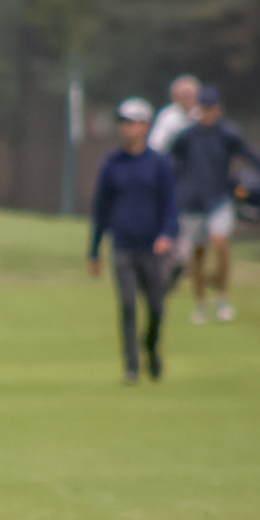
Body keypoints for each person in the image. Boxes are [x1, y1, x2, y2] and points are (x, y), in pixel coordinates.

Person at [167, 85, 260, 323]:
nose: (207, 113)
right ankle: (201, 305)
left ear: (219, 109)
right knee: (198, 255)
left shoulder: (227, 135)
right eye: (204, 108)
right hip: (192, 202)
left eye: (211, 108)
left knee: (221, 243)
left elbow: (254, 157)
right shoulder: (186, 137)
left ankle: (222, 298)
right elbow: (169, 163)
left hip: (218, 199)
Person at [88, 98, 178, 384]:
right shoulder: (112, 164)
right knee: (127, 304)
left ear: (146, 127)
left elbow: (170, 205)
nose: (128, 129)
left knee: (156, 306)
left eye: (134, 123)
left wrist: (167, 234)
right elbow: (101, 209)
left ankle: (150, 347)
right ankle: (131, 366)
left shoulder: (159, 164)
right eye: (125, 123)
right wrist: (94, 250)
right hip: (123, 245)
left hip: (153, 246)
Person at [148, 74, 199, 156]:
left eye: (189, 96)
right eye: (183, 96)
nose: (186, 100)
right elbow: (155, 144)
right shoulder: (166, 116)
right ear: (174, 97)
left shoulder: (202, 115)